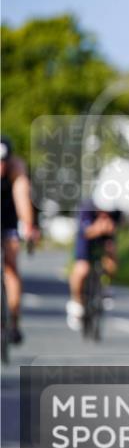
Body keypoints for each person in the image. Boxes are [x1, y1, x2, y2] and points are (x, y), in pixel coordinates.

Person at [1, 135, 40, 345]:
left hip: (7, 216)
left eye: (2, 162)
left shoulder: (16, 168)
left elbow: (22, 198)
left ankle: (14, 320)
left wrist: (28, 226)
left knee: (11, 266)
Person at [65, 194, 120, 330]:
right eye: (102, 211)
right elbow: (85, 231)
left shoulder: (116, 212)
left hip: (104, 236)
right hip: (85, 238)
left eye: (108, 213)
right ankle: (76, 302)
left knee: (111, 258)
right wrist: (99, 228)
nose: (105, 214)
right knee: (82, 269)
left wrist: (108, 230)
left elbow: (115, 230)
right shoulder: (86, 208)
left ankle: (106, 286)